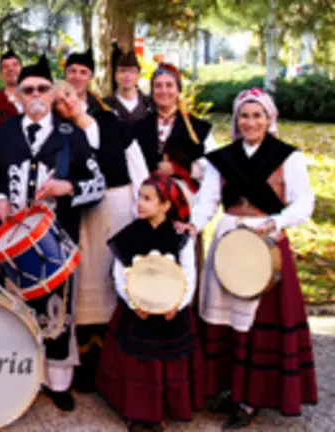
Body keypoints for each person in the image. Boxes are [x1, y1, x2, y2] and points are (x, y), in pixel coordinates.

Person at [182, 89, 317, 428]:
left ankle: (251, 397)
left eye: (258, 115)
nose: (250, 122)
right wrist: (192, 227)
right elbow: (207, 201)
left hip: (265, 243)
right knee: (227, 318)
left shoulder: (288, 157)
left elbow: (304, 204)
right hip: (228, 239)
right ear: (236, 120)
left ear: (269, 119)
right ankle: (230, 389)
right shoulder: (223, 159)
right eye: (244, 115)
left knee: (257, 324)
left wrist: (277, 222)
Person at [0, 55, 106, 412]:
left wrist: (68, 187)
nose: (35, 94)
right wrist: (0, 199)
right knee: (16, 308)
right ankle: (21, 377)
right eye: (28, 90)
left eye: (42, 88)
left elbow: (97, 184)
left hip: (58, 239)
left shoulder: (73, 135)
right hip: (13, 238)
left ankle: (57, 381)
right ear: (18, 96)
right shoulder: (5, 133)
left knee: (57, 311)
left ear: (53, 93)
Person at [53, 79, 149, 393]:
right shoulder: (64, 137)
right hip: (87, 211)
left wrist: (143, 210)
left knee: (121, 278)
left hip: (122, 205)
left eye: (67, 94)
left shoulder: (112, 122)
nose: (66, 102)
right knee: (89, 285)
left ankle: (118, 364)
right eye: (58, 102)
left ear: (78, 93)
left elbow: (138, 170)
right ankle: (88, 364)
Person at [96, 173, 203, 432]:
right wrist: (134, 304)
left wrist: (177, 305)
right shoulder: (129, 235)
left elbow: (189, 273)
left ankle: (163, 410)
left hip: (171, 312)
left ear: (166, 205)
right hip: (138, 312)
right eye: (139, 198)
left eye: (148, 199)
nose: (140, 204)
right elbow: (119, 274)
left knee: (166, 360)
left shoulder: (180, 237)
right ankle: (137, 412)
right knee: (138, 362)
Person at [131, 63, 217, 201]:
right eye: (158, 86)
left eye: (169, 85)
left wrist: (180, 169)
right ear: (152, 91)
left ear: (178, 90)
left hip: (186, 200)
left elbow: (213, 168)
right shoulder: (139, 127)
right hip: (147, 201)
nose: (164, 91)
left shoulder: (197, 128)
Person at [103, 51, 153, 124]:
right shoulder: (104, 105)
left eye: (132, 71)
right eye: (122, 71)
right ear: (116, 76)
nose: (127, 75)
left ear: (138, 76)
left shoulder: (150, 104)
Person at [63, 48, 111, 115]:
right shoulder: (51, 108)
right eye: (73, 71)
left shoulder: (102, 110)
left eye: (83, 72)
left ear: (91, 78)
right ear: (65, 75)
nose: (77, 77)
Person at [0, 49, 23, 123]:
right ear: (0, 74)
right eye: (5, 66)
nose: (10, 69)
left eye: (15, 65)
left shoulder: (35, 94)